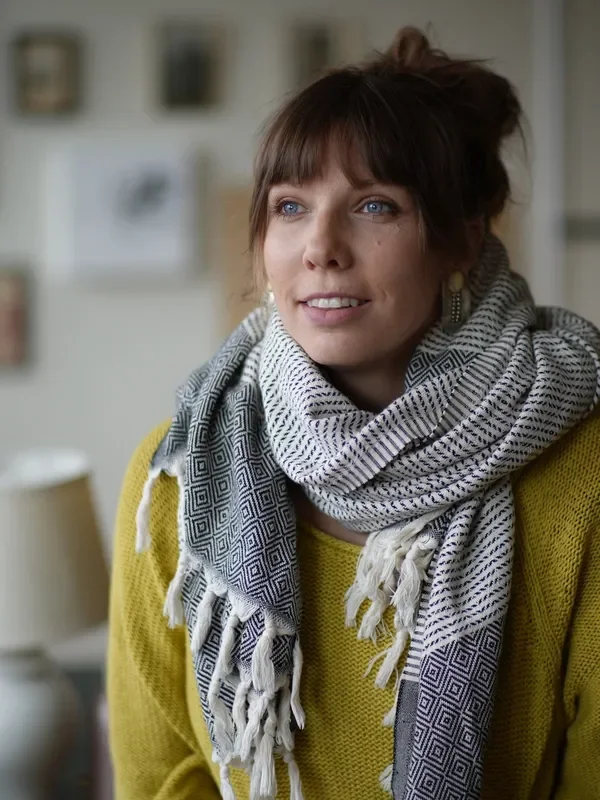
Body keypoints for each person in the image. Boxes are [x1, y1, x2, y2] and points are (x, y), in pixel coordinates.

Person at [107, 26, 600, 800]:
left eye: (375, 205)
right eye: (291, 206)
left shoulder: (583, 477)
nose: (321, 248)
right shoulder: (181, 471)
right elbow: (161, 773)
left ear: (463, 238)